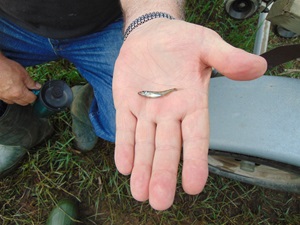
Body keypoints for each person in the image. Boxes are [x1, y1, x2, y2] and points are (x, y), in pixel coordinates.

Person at [0, 0, 267, 211]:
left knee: (133, 126)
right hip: (9, 25)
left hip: (105, 22)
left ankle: (86, 103)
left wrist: (151, 18)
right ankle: (20, 132)